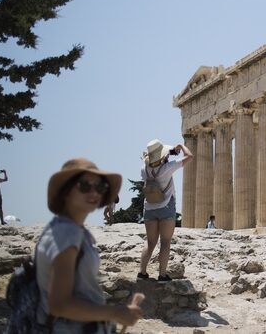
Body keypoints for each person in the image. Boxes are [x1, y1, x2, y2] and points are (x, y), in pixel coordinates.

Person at [36, 158, 142, 332]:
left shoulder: (75, 231)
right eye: (84, 186)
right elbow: (60, 305)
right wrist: (115, 313)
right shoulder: (66, 234)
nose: (94, 192)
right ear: (66, 191)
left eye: (100, 187)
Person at [138, 139, 193, 282]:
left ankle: (142, 272)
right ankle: (162, 275)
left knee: (150, 242)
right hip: (166, 207)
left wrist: (167, 153)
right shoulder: (168, 168)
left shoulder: (144, 169)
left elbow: (152, 161)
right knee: (165, 242)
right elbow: (189, 157)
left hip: (149, 208)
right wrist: (180, 147)